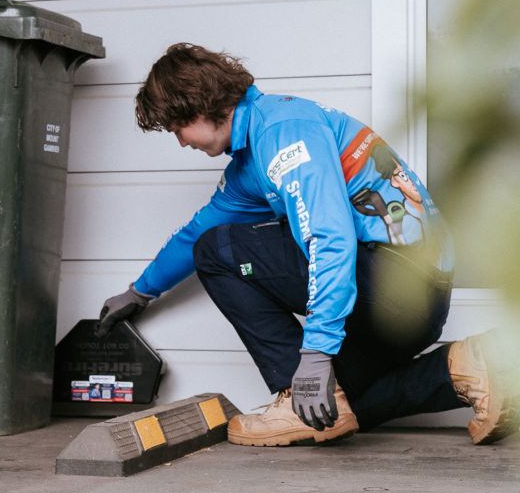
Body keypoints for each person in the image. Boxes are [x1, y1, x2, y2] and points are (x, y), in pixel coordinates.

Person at [96, 43, 519, 447]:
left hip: (399, 284)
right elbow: (196, 230)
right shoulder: (251, 161)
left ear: (199, 105)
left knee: (215, 252)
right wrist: (140, 291)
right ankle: (467, 367)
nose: (181, 142)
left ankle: (288, 391)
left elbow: (328, 237)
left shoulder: (284, 132)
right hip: (413, 300)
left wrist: (316, 350)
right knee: (331, 410)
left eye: (178, 129)